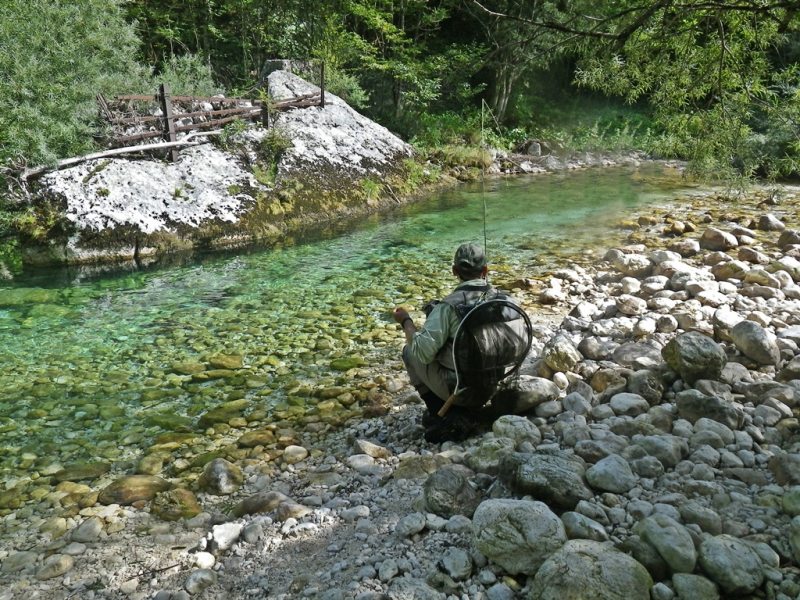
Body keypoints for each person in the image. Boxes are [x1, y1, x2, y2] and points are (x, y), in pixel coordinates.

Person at [393, 242, 494, 442]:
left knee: (409, 351)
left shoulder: (448, 307)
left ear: (454, 271)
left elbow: (422, 352)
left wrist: (406, 321)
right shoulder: (503, 299)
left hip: (462, 390)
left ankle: (444, 414)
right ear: (485, 270)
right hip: (493, 384)